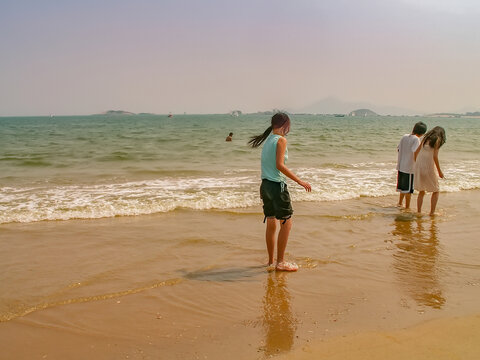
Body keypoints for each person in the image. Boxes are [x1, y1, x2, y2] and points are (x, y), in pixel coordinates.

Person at [248, 113, 311, 271]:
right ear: (285, 125)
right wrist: (300, 181)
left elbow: (267, 165)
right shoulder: (281, 140)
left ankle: (271, 261)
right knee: (286, 223)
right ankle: (281, 262)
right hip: (277, 186)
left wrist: (264, 186)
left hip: (266, 186)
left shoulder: (268, 139)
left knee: (271, 223)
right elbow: (279, 165)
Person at [414, 126, 446, 216]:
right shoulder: (438, 139)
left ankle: (419, 212)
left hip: (419, 166)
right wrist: (440, 171)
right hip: (428, 167)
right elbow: (435, 156)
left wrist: (416, 164)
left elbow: (416, 152)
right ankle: (432, 212)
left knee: (421, 191)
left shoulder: (425, 138)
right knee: (436, 190)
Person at [396, 122, 427, 209]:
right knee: (408, 190)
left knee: (402, 188)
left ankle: (399, 203)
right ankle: (407, 207)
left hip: (401, 166)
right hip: (409, 168)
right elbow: (415, 152)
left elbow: (398, 149)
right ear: (422, 133)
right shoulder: (416, 139)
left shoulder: (404, 136)